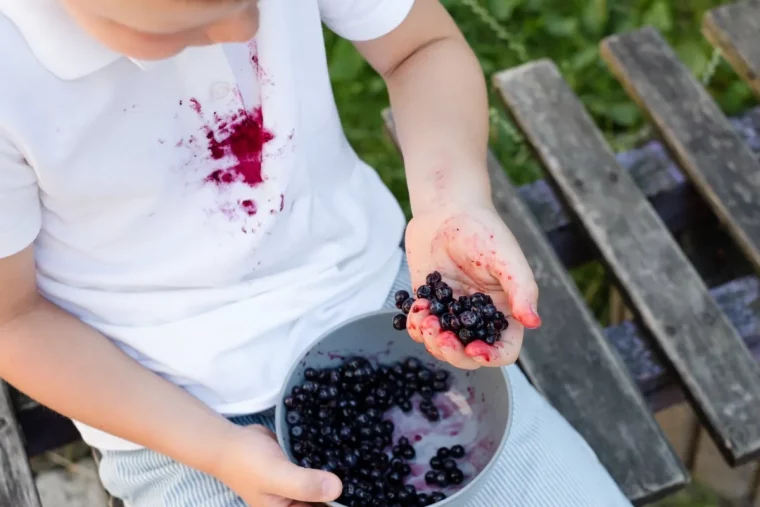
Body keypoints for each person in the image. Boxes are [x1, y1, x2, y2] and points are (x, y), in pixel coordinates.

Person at [0, 0, 632, 505]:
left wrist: (451, 203)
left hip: (389, 313)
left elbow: (420, 47)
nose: (245, 26)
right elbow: (13, 320)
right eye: (196, 13)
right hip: (168, 412)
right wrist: (219, 452)